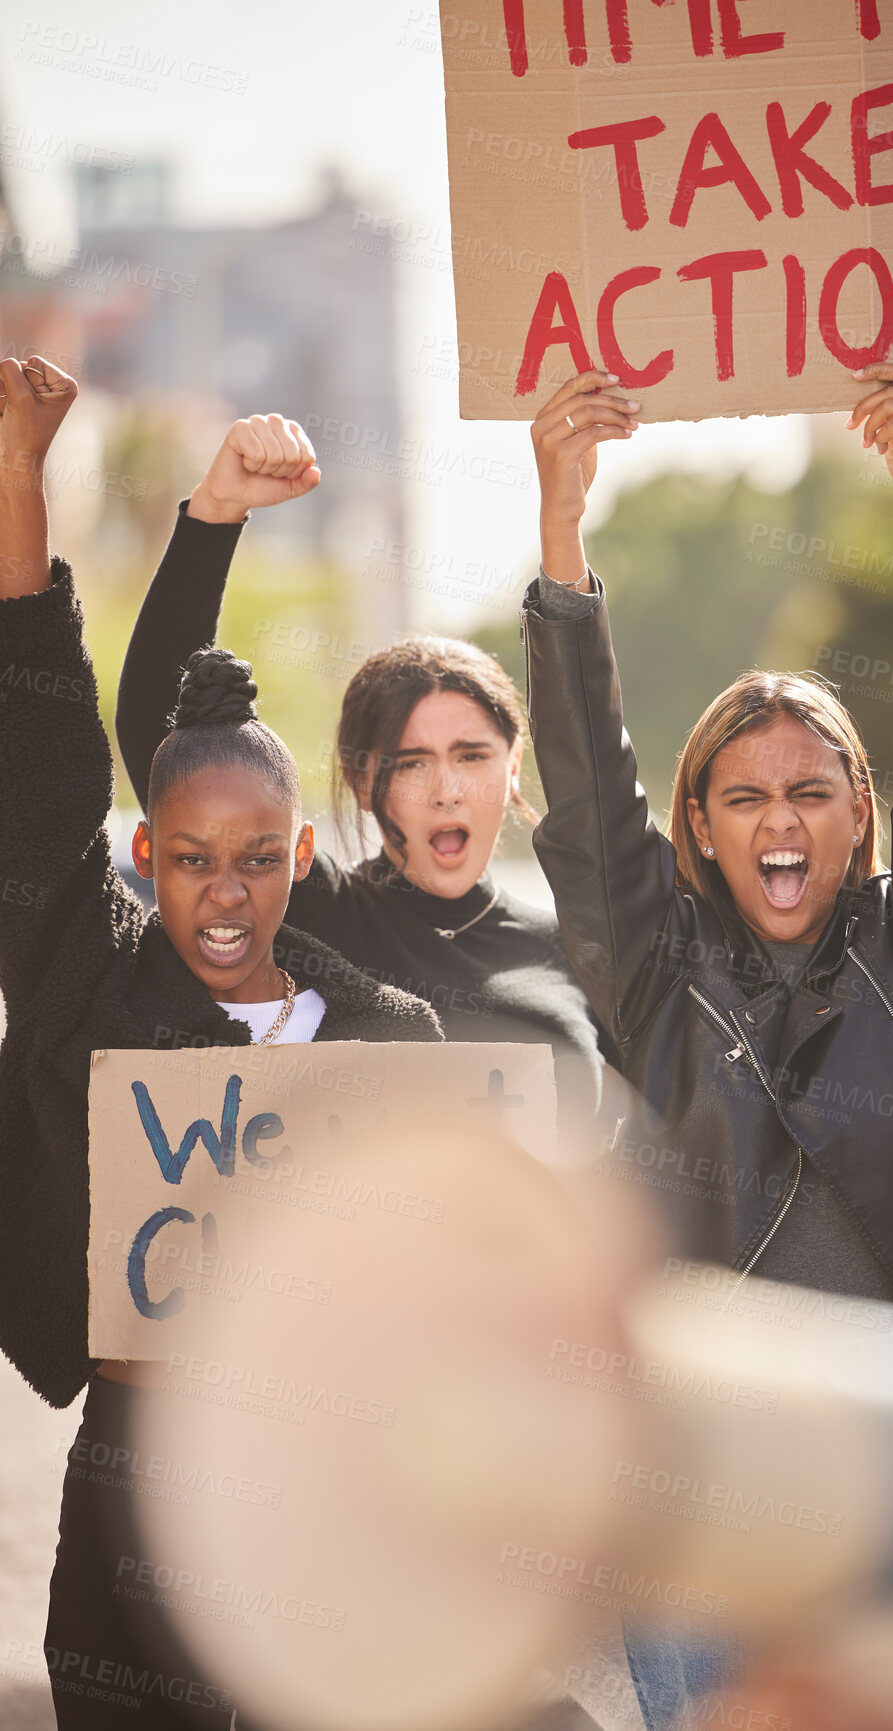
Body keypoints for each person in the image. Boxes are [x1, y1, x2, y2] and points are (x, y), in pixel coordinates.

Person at [0, 358, 441, 1728]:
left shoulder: (388, 1036)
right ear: (147, 855)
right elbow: (51, 754)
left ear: (301, 854)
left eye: (258, 857)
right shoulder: (105, 1000)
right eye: (188, 859)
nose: (226, 890)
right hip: (134, 1507)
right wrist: (18, 473)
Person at [523, 362, 893, 1325]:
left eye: (810, 791)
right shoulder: (654, 969)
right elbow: (589, 800)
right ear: (699, 823)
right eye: (744, 797)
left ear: (859, 813)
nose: (779, 820)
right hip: (728, 1437)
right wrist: (561, 535)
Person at [114, 414, 607, 1122]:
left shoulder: (580, 949)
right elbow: (161, 734)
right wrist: (216, 514)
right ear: (360, 780)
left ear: (512, 766)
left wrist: (563, 530)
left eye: (471, 755)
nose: (445, 789)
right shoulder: (310, 916)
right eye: (411, 763)